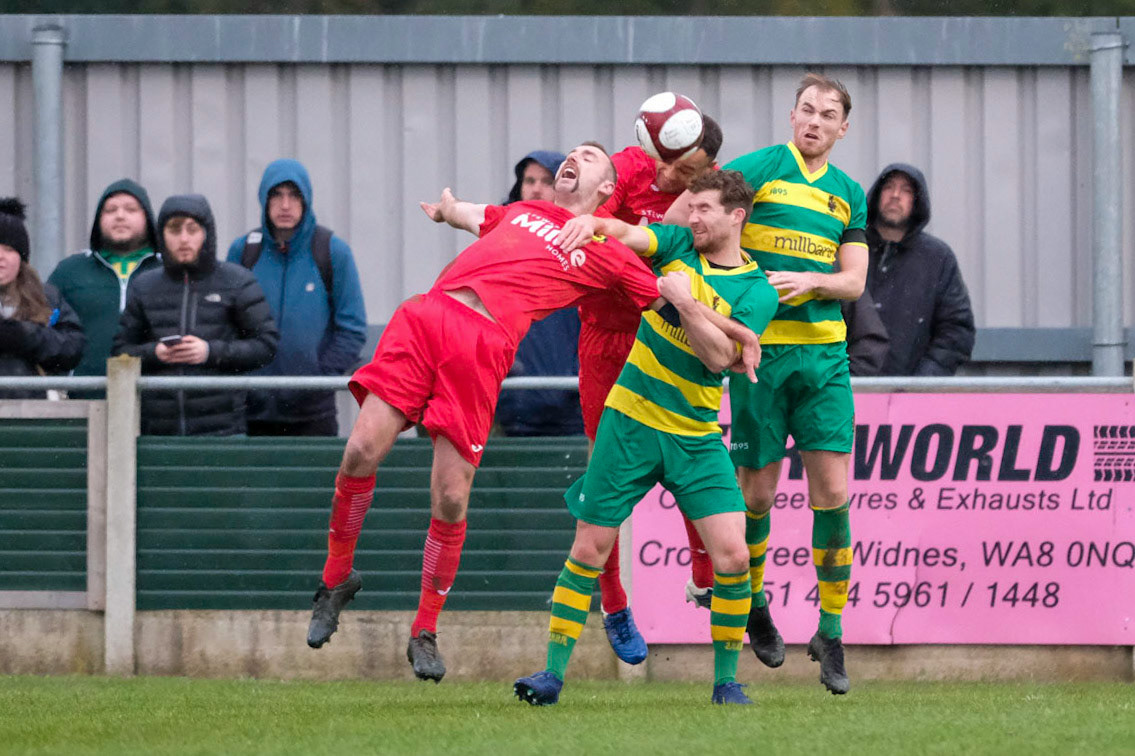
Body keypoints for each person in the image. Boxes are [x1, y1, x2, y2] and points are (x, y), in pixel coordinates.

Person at [303, 143, 754, 685]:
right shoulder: (524, 211)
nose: (573, 158)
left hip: (482, 344)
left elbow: (674, 301)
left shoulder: (610, 255)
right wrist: (449, 210)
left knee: (449, 496)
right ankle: (335, 581)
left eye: (588, 157)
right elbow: (475, 215)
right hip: (427, 316)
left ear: (608, 189)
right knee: (359, 450)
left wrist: (738, 332)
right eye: (572, 153)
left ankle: (424, 629)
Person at [514, 170, 779, 707]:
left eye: (704, 208)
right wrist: (593, 223)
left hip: (696, 436)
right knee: (589, 548)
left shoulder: (758, 291)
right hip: (630, 420)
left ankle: (726, 683)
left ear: (737, 217)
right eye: (692, 207)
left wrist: (684, 302)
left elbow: (717, 358)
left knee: (732, 556)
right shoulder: (678, 242)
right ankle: (551, 676)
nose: (692, 216)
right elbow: (631, 234)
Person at [665, 73, 868, 695]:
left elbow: (855, 281)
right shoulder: (762, 168)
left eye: (826, 113)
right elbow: (686, 212)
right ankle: (754, 603)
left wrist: (814, 284)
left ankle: (830, 629)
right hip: (761, 360)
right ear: (791, 116)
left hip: (825, 361)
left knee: (833, 495)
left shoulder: (848, 195)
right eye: (805, 109)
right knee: (756, 499)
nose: (814, 120)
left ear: (841, 128)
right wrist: (692, 269)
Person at [576, 116, 725, 663]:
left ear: (705, 168)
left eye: (687, 171)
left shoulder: (709, 195)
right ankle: (614, 602)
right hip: (604, 337)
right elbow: (596, 238)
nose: (671, 174)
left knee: (688, 453)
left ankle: (706, 574)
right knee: (605, 475)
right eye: (670, 160)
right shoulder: (629, 167)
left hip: (664, 334)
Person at [112, 194, 278, 436]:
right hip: (158, 430)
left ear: (206, 233)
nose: (184, 239)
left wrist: (210, 352)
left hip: (223, 429)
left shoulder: (236, 281)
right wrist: (155, 353)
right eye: (174, 229)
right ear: (161, 235)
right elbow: (120, 350)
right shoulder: (144, 286)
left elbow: (267, 345)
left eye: (192, 229)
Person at [226, 159, 367, 436]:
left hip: (314, 412)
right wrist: (245, 376)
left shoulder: (331, 252)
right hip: (251, 409)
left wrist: (317, 380)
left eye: (294, 195)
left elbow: (352, 329)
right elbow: (224, 323)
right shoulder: (243, 252)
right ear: (264, 200)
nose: (285, 205)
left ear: (307, 200)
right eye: (276, 195)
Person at [493, 150, 585, 437]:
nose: (535, 188)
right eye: (529, 180)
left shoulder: (585, 243)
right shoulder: (496, 243)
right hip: (511, 408)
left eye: (546, 181)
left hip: (575, 412)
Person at [865, 163, 975, 376]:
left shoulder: (937, 258)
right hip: (846, 393)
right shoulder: (849, 249)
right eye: (889, 187)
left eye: (906, 190)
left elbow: (956, 331)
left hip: (912, 398)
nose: (896, 195)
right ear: (877, 194)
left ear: (917, 201)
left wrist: (922, 383)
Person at [48, 179, 161, 379]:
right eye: (110, 210)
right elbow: (44, 329)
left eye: (131, 209)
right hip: (83, 397)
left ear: (148, 217)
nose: (120, 216)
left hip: (157, 399)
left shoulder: (167, 269)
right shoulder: (70, 271)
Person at [0, 198, 84, 398]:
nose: (1, 256)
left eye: (9, 249)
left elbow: (72, 348)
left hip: (34, 414)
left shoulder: (47, 297)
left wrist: (26, 336)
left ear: (22, 258)